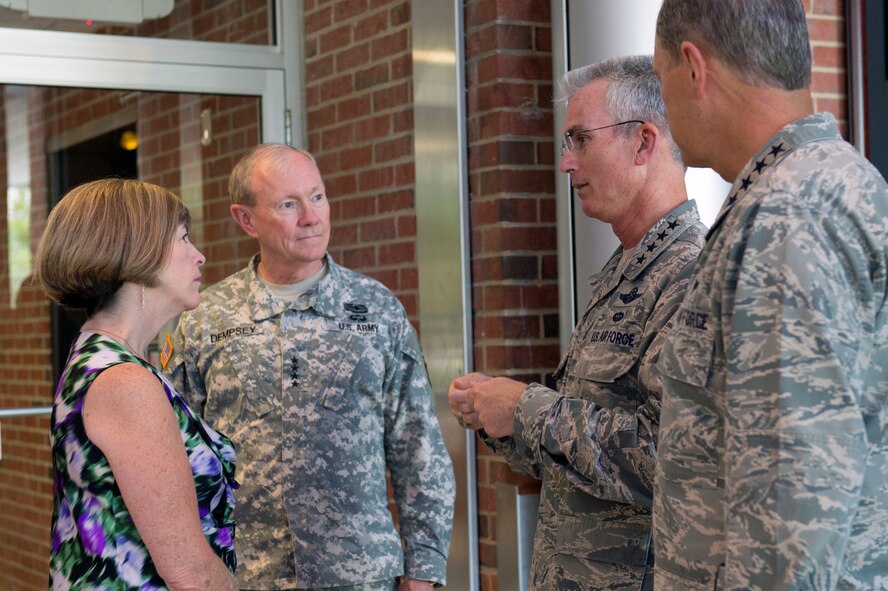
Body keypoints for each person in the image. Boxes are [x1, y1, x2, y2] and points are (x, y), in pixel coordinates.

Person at [651, 1, 888, 589]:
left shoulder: (785, 216)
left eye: (661, 83)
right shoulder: (828, 184)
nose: (664, 102)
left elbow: (790, 519)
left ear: (693, 67)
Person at [448, 55, 706, 590]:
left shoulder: (688, 274)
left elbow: (671, 459)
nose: (566, 164)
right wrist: (500, 415)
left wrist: (526, 408)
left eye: (581, 140)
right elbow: (586, 447)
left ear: (643, 142)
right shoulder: (627, 269)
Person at [165, 143, 455, 591]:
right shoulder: (206, 318)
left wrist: (424, 571)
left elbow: (419, 449)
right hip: (244, 577)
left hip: (361, 577)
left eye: (317, 197)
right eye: (288, 204)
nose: (311, 217)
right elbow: (178, 459)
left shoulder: (376, 310)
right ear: (246, 219)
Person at [34, 179, 238, 590]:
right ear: (139, 253)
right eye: (183, 238)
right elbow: (189, 572)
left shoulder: (108, 358)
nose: (199, 256)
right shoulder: (124, 381)